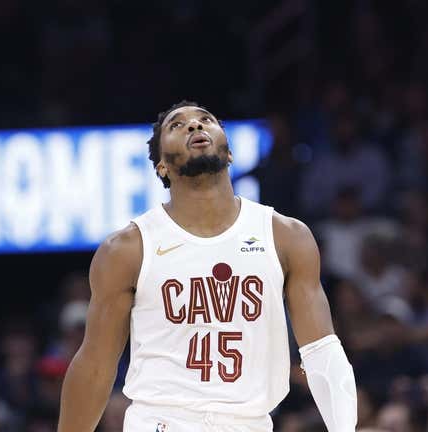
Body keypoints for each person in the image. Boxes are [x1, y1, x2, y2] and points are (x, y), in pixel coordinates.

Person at [58, 101, 358, 431]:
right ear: (161, 166)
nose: (194, 126)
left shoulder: (286, 236)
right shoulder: (127, 249)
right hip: (162, 422)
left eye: (206, 120)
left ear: (229, 153)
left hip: (250, 423)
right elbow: (96, 366)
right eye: (177, 125)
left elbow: (321, 352)